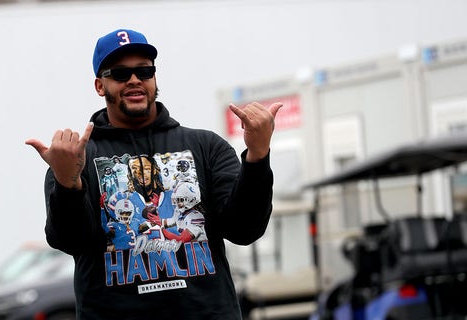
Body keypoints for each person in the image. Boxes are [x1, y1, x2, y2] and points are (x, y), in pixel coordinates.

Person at [26, 28, 282, 320]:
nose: (135, 80)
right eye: (120, 73)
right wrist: (67, 182)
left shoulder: (206, 146)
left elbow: (244, 229)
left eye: (145, 71)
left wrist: (258, 157)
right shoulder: (77, 158)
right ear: (100, 85)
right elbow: (70, 240)